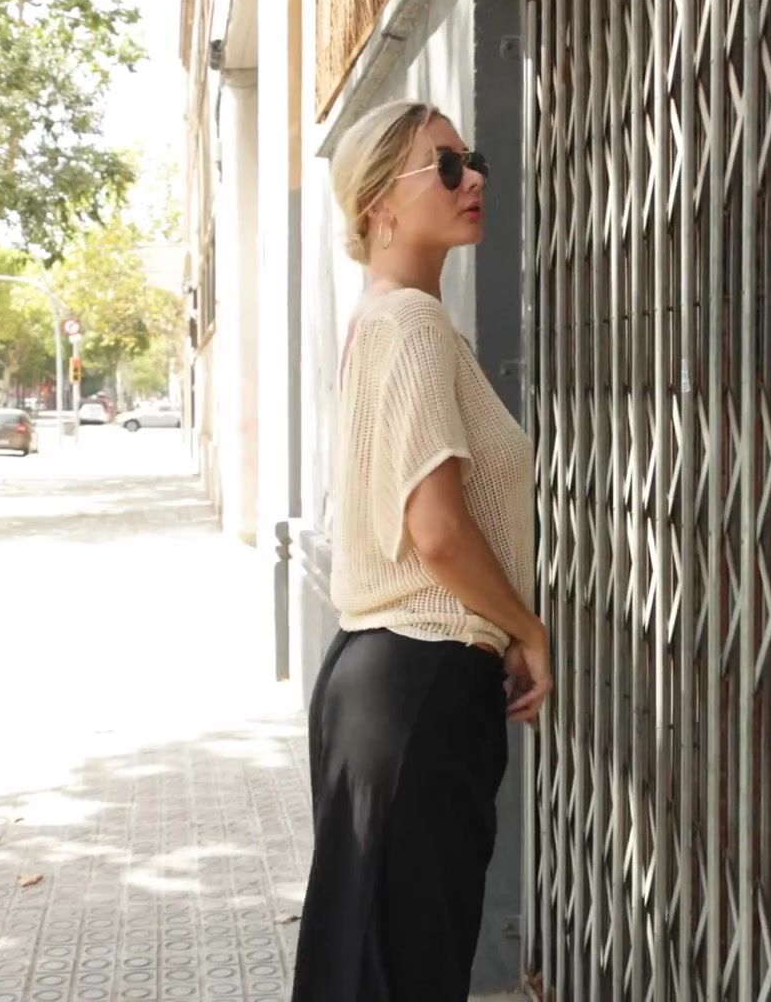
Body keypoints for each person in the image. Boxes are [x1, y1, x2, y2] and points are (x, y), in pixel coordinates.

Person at [292, 100, 553, 1001]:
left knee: (370, 963)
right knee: (407, 969)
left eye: (472, 161)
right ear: (380, 205)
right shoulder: (410, 324)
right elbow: (435, 531)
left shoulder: (386, 319)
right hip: (420, 678)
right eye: (445, 167)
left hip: (382, 678)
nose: (473, 178)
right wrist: (528, 630)